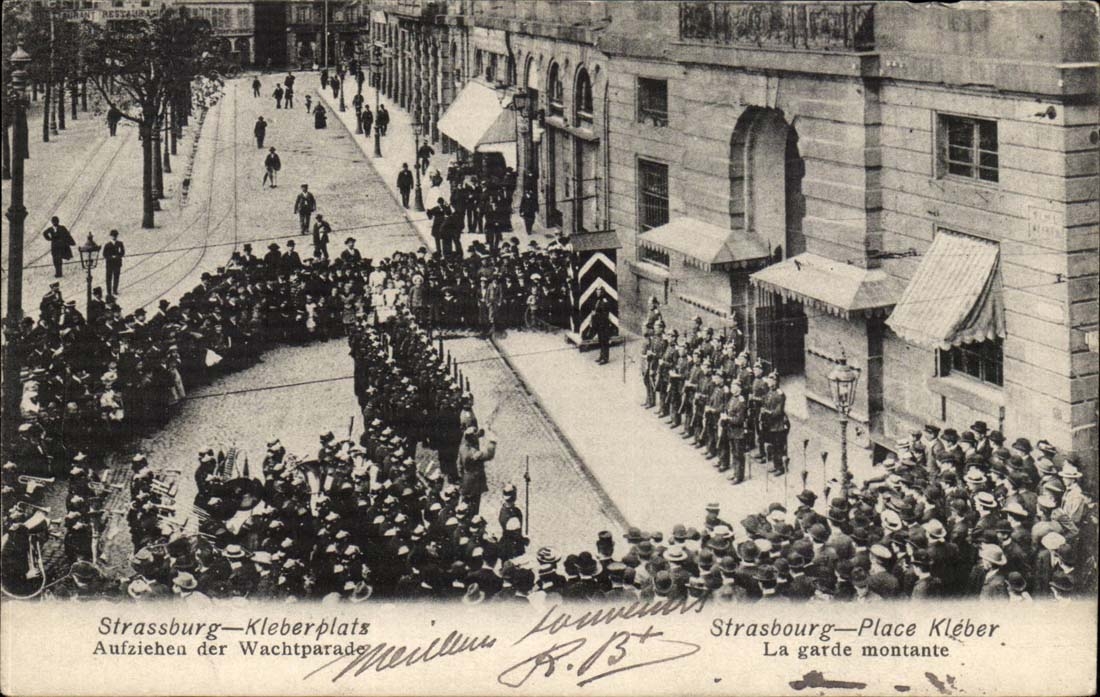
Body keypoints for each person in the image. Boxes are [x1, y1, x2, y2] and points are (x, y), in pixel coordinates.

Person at [591, 287, 612, 365]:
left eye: (599, 291)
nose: (597, 293)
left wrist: (596, 314)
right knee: (601, 341)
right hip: (599, 324)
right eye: (596, 291)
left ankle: (605, 358)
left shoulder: (604, 301)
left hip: (604, 324)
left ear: (602, 292)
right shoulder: (598, 300)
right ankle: (601, 356)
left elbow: (605, 314)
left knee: (604, 341)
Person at [102, 229, 125, 296]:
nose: (114, 237)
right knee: (108, 278)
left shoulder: (120, 244)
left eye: (115, 236)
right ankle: (109, 292)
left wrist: (117, 256)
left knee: (116, 277)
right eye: (113, 236)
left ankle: (115, 290)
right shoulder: (107, 245)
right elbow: (104, 254)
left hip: (117, 263)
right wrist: (111, 257)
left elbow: (122, 252)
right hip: (109, 264)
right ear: (111, 236)